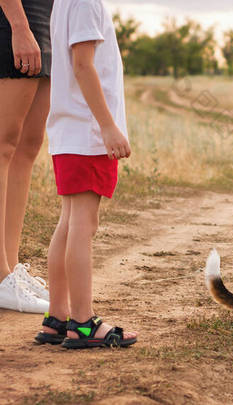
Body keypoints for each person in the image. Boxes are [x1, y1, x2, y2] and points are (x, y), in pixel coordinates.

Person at [34, 0, 137, 348]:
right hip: (88, 134)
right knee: (83, 225)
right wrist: (108, 126)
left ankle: (57, 317)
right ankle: (83, 321)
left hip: (70, 133)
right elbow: (82, 66)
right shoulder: (85, 1)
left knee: (68, 221)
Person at [0, 0, 52, 313]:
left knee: (28, 146)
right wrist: (19, 26)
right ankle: (0, 273)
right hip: (15, 14)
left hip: (47, 17)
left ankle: (11, 265)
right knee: (3, 145)